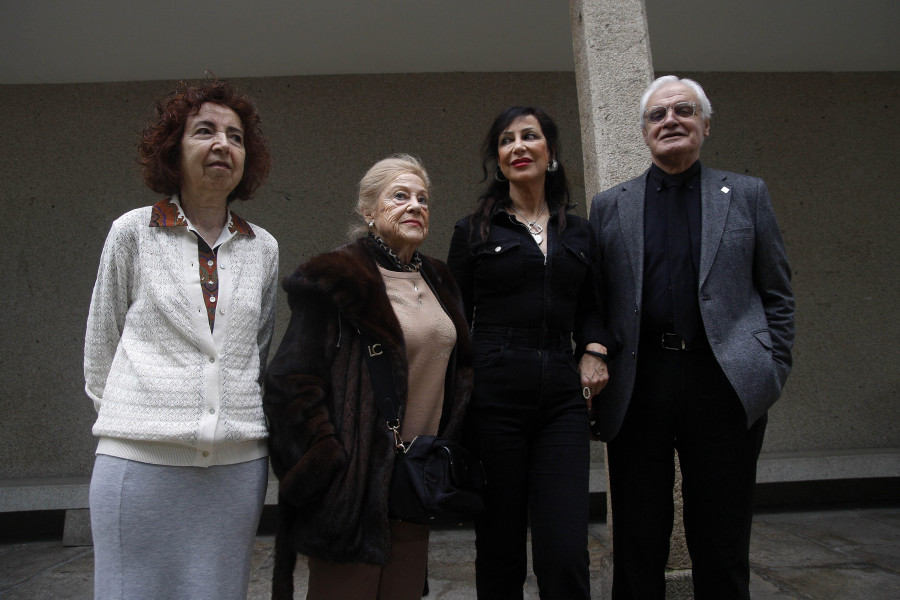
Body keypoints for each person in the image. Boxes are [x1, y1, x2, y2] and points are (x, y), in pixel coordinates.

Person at [589, 76, 795, 600]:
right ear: (643, 132)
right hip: (639, 386)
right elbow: (597, 297)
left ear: (704, 124)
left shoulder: (747, 194)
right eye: (657, 115)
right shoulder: (610, 205)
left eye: (683, 111)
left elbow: (777, 291)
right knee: (638, 535)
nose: (670, 121)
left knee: (722, 535)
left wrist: (771, 366)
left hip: (722, 383)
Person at [83, 80, 278, 599]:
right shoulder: (133, 232)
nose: (222, 145)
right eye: (205, 131)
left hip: (236, 472)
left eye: (235, 137)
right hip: (138, 464)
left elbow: (254, 351)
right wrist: (136, 419)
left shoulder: (263, 248)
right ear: (175, 147)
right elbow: (101, 341)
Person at [263, 154, 473, 600]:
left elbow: (459, 372)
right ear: (369, 211)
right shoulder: (338, 277)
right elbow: (290, 382)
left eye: (422, 199)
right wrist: (326, 461)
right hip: (354, 489)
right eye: (399, 196)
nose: (415, 206)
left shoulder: (439, 278)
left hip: (416, 481)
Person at [446, 107, 612, 599]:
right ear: (498, 161)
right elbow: (453, 317)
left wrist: (595, 350)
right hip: (494, 394)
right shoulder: (473, 230)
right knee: (499, 546)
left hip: (562, 395)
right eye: (506, 140)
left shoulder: (580, 232)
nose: (518, 146)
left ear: (551, 153)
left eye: (530, 137)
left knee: (564, 549)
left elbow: (594, 306)